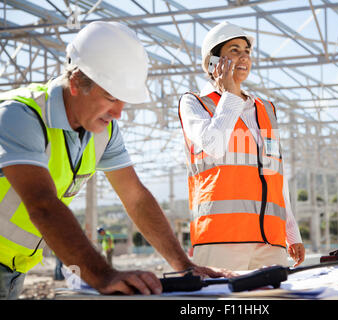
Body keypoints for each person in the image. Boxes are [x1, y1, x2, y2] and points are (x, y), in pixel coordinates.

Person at [0, 21, 229, 300]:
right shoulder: (20, 116)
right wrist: (103, 275)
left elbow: (135, 198)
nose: (118, 113)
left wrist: (185, 266)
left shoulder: (104, 130)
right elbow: (42, 205)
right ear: (75, 84)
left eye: (124, 101)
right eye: (110, 97)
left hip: (14, 267)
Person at [178, 21, 306, 270]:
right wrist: (230, 95)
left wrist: (292, 233)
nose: (244, 56)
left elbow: (276, 174)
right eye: (234, 50)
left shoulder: (266, 109)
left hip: (269, 241)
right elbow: (214, 144)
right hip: (220, 240)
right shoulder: (194, 104)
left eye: (247, 51)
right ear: (213, 62)